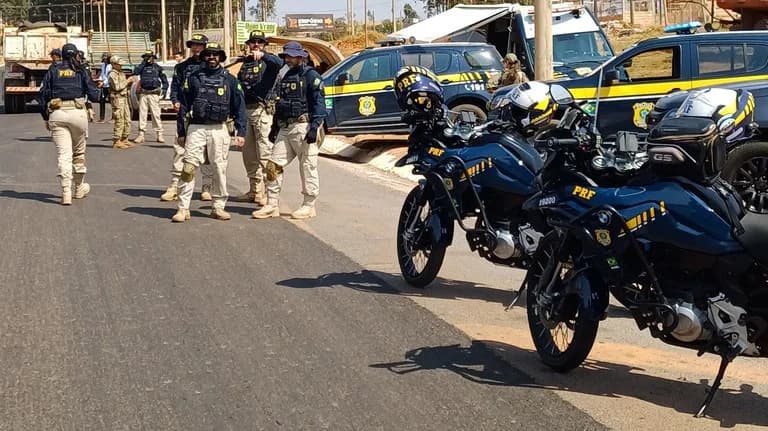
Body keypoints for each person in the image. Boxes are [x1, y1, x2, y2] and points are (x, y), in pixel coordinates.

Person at [172, 42, 246, 223]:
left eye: (215, 54)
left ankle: (218, 206)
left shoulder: (230, 80)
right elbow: (183, 106)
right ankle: (183, 208)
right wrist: (181, 132)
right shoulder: (194, 78)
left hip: (219, 129)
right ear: (204, 57)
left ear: (221, 57)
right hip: (196, 128)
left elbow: (239, 107)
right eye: (208, 54)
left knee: (219, 169)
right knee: (188, 168)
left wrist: (241, 132)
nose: (211, 57)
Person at [252, 42, 326, 220]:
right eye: (287, 56)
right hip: (285, 127)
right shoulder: (284, 75)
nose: (289, 59)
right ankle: (271, 204)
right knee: (272, 166)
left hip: (304, 126)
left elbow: (319, 104)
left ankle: (309, 205)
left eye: (293, 56)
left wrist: (314, 127)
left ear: (301, 57)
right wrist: (275, 127)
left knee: (308, 167)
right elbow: (279, 102)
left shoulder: (311, 76)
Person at [38, 43, 101, 205]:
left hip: (57, 114)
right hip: (78, 114)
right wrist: (98, 89)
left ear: (61, 54)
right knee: (78, 154)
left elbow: (43, 95)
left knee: (64, 155)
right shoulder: (81, 70)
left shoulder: (53, 70)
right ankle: (79, 188)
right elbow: (94, 95)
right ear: (76, 55)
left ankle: (66, 192)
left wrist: (46, 117)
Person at [162, 33, 214, 202]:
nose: (196, 48)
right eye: (194, 45)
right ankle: (174, 185)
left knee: (207, 153)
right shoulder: (182, 67)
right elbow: (175, 87)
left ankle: (206, 187)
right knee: (180, 149)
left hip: (207, 115)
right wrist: (175, 101)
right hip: (186, 113)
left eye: (200, 45)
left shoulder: (212, 66)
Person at [233, 30, 282, 206]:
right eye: (253, 42)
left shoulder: (270, 62)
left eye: (259, 42)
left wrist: (263, 56)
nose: (255, 45)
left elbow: (279, 62)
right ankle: (254, 190)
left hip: (263, 112)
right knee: (248, 155)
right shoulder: (245, 64)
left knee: (264, 155)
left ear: (264, 45)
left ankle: (270, 195)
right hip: (246, 111)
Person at [131, 50, 168, 144]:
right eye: (146, 57)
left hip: (154, 94)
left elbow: (164, 79)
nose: (148, 59)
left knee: (156, 114)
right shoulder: (142, 67)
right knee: (142, 114)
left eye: (150, 57)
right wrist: (143, 62)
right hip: (143, 93)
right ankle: (141, 134)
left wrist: (165, 89)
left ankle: (159, 134)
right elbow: (135, 72)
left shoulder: (157, 68)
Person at [108, 55, 136, 149]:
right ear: (114, 64)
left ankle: (125, 138)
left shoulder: (121, 73)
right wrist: (127, 81)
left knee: (127, 118)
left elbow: (123, 86)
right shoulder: (113, 74)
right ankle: (117, 140)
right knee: (119, 119)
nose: (121, 66)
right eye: (119, 64)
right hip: (117, 98)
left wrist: (129, 83)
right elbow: (117, 87)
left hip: (124, 97)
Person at [77, 50, 97, 123]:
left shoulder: (80, 66)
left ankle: (87, 114)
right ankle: (91, 112)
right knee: (88, 100)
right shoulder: (86, 65)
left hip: (83, 85)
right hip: (88, 85)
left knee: (84, 102)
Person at [96, 52, 112, 122]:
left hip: (109, 85)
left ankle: (114, 117)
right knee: (102, 101)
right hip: (103, 85)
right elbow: (102, 74)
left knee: (112, 101)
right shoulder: (103, 65)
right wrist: (100, 80)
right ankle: (101, 118)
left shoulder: (111, 66)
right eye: (104, 58)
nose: (105, 60)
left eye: (106, 58)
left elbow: (110, 77)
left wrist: (103, 82)